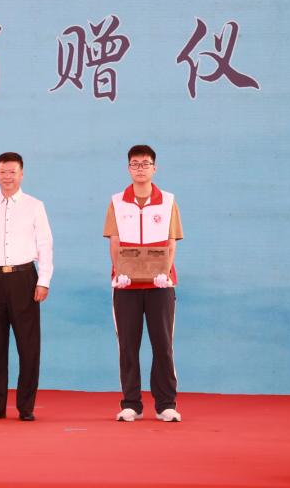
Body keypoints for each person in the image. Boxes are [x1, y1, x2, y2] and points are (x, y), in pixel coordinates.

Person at [0, 152, 53, 421]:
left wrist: (43, 281)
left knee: (28, 346)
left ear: (22, 174)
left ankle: (26, 407)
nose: (7, 177)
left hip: (25, 278)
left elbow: (45, 245)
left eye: (12, 172)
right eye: (3, 172)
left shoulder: (34, 206)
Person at [105, 144, 184, 423]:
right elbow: (115, 242)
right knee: (128, 346)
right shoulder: (117, 202)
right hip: (126, 286)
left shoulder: (168, 201)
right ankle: (131, 404)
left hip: (160, 286)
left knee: (163, 345)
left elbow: (171, 242)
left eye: (145, 164)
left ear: (154, 168)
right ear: (128, 168)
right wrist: (119, 272)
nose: (140, 169)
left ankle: (166, 404)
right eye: (135, 164)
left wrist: (164, 271)